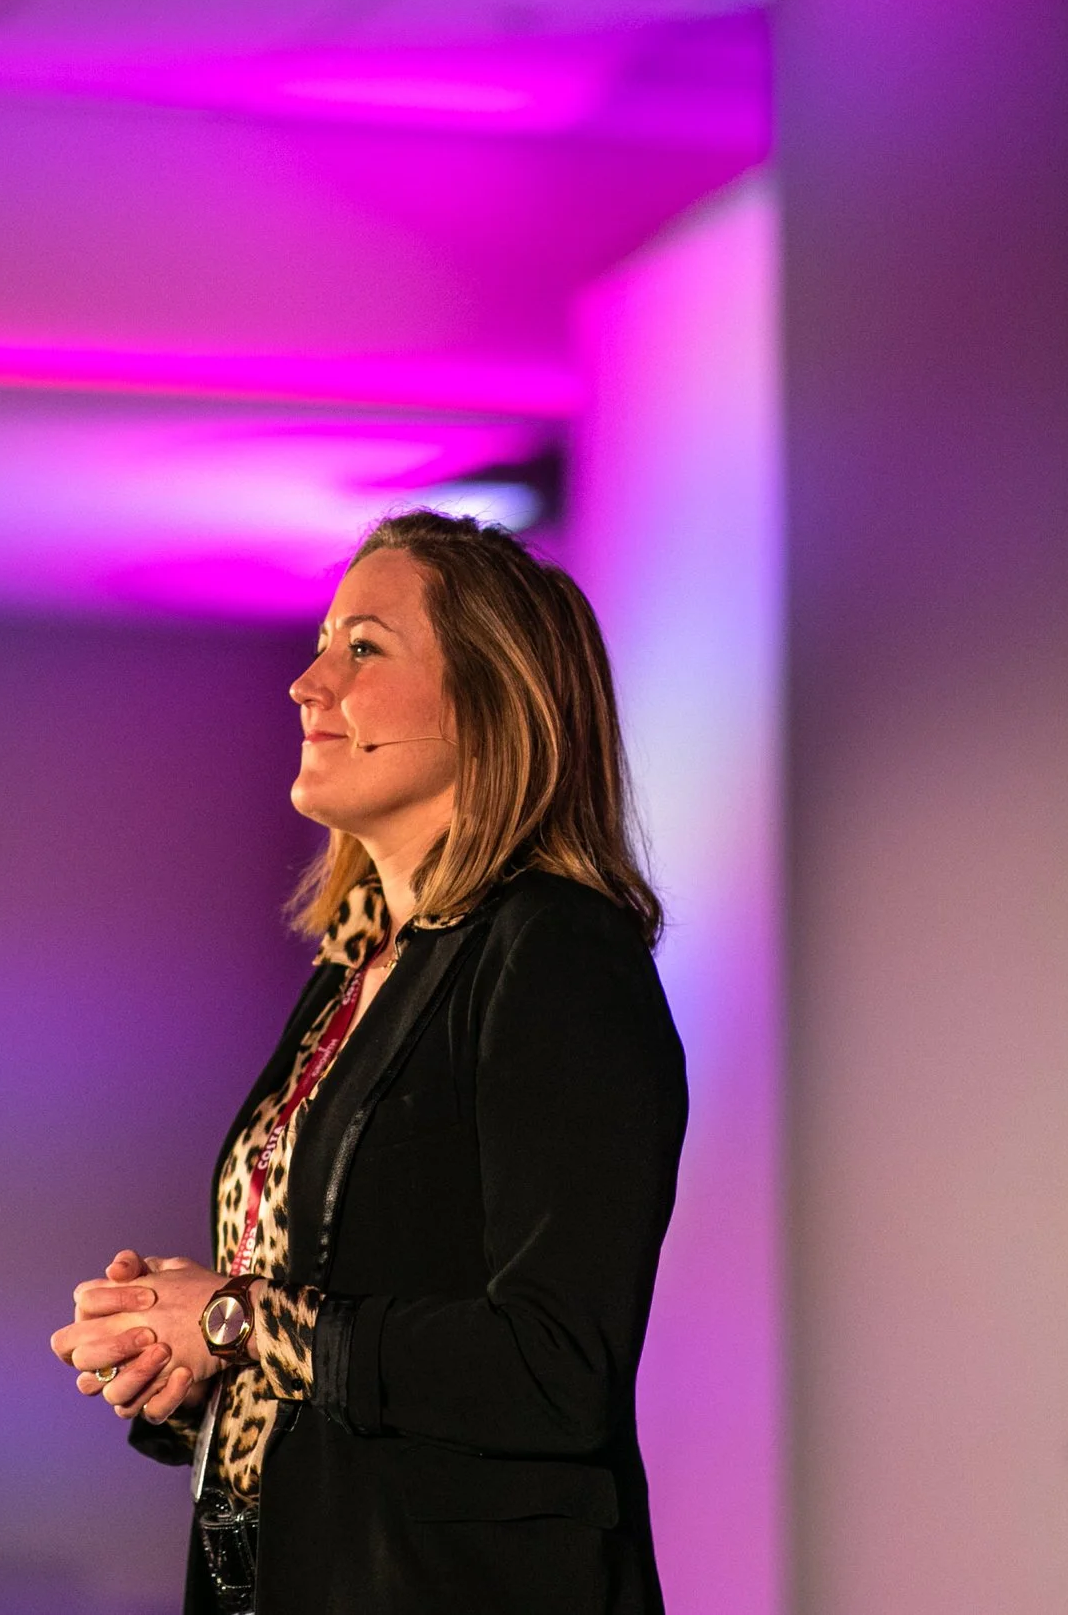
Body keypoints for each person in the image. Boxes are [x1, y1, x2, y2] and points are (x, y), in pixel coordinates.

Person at [49, 511, 689, 1615]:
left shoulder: (555, 952)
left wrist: (237, 1316)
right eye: (320, 643)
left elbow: (553, 1366)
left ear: (490, 702)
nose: (306, 683)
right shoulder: (351, 978)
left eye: (362, 648)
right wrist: (187, 1364)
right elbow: (346, 1342)